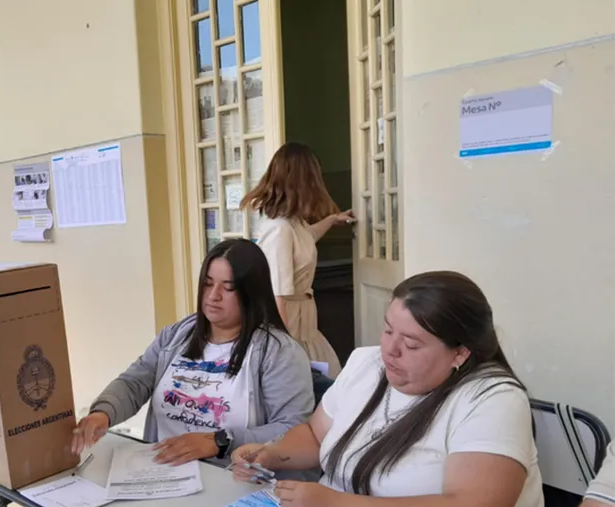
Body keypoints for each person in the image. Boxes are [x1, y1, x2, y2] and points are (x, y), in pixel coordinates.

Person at [231, 271, 544, 507]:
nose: (390, 350)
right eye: (387, 329)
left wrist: (335, 503)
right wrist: (272, 454)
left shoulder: (492, 399)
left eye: (410, 343)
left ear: (460, 352)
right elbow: (316, 435)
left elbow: (470, 503)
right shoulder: (366, 363)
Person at [72, 239, 315, 465]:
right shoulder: (178, 335)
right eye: (207, 284)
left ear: (251, 293)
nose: (213, 296)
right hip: (160, 470)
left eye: (227, 288)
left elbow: (293, 430)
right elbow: (135, 382)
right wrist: (103, 413)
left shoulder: (279, 352)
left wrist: (220, 441)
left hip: (229, 477)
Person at [240, 142, 354, 377]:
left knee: (323, 380)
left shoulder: (295, 224)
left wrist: (332, 220)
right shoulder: (280, 229)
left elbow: (308, 237)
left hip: (303, 319)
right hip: (290, 322)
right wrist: (283, 346)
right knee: (314, 382)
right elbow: (276, 293)